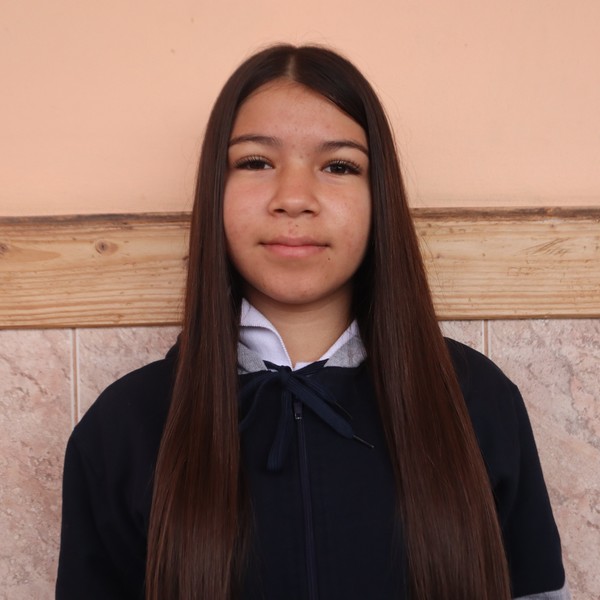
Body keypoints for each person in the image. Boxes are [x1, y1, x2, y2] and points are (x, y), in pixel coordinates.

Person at [56, 44, 569, 600]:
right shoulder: (122, 426)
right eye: (256, 162)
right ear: (215, 190)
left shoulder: (477, 400)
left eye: (339, 166)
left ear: (378, 197)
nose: (295, 198)